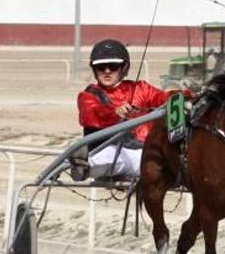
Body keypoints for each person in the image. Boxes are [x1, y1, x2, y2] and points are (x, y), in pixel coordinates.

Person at [76, 39, 183, 179]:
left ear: (123, 68)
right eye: (101, 67)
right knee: (111, 156)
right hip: (112, 150)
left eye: (113, 66)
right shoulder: (88, 95)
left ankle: (84, 165)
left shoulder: (141, 89)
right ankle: (83, 166)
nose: (107, 71)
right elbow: (92, 114)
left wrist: (184, 96)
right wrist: (115, 113)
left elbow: (162, 98)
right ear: (94, 70)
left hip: (146, 150)